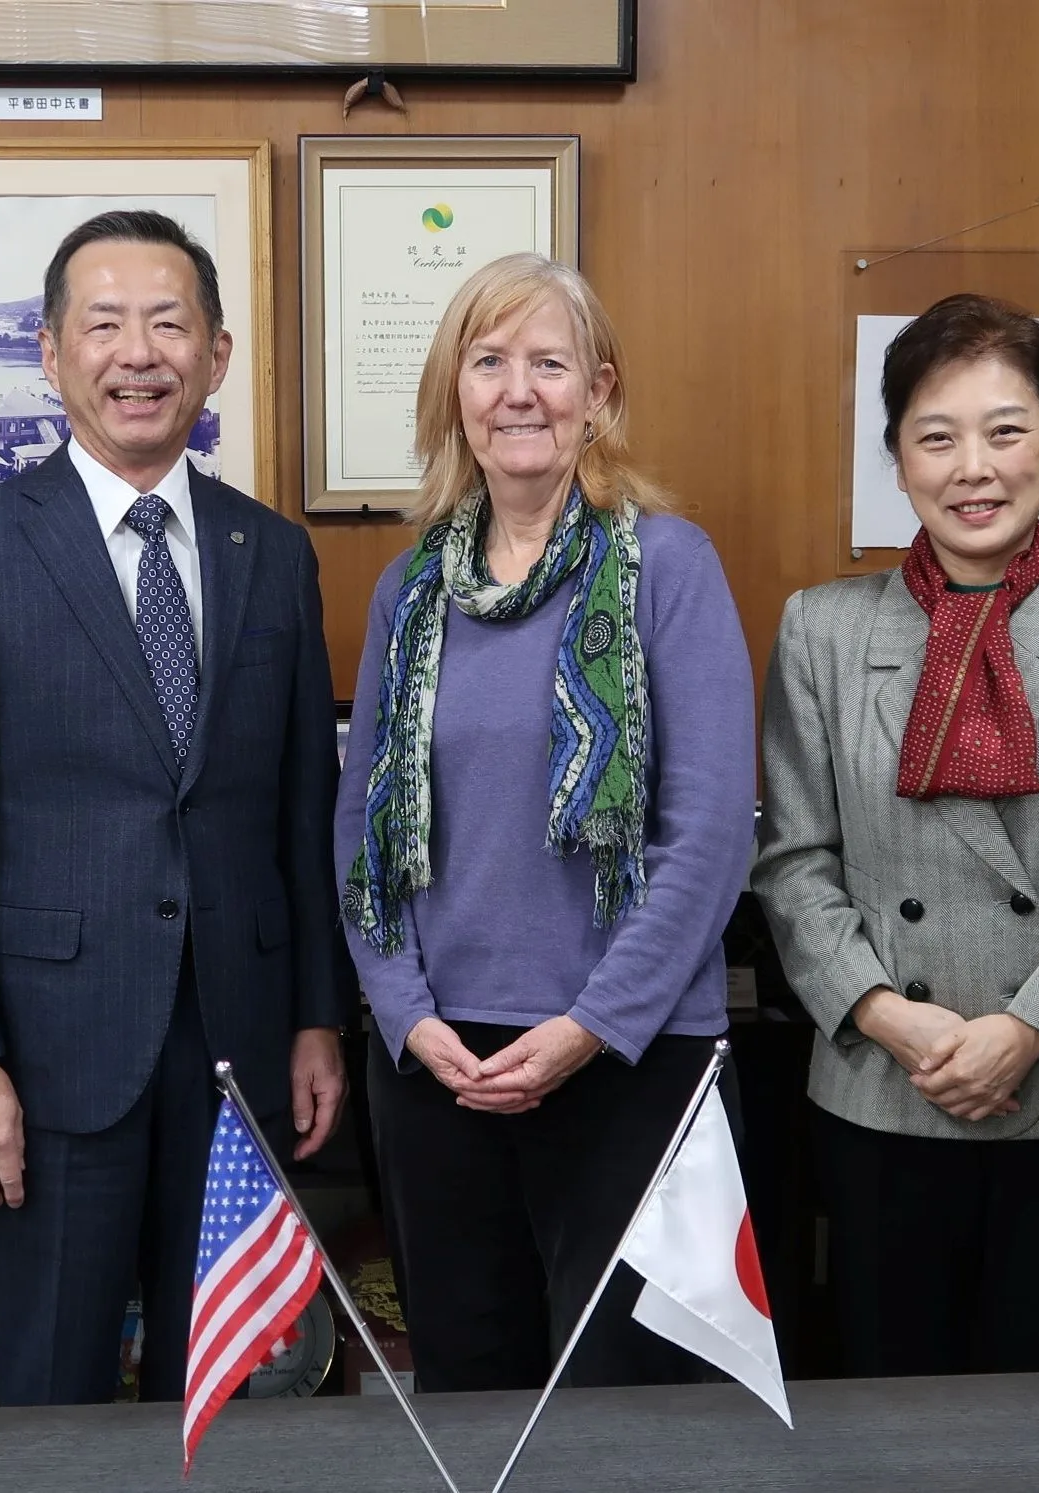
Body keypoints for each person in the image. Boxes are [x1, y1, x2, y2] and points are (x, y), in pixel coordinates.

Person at [0, 210, 351, 1407]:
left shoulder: (271, 552)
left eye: (168, 324)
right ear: (51, 354)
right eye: (103, 325)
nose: (138, 353)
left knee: (225, 1384)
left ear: (216, 354)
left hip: (240, 1035)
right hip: (49, 1049)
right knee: (51, 1383)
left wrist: (315, 1016)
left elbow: (302, 812)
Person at [335, 253, 758, 1392]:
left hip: (628, 1057)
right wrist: (405, 1015)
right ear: (454, 394)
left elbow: (710, 833)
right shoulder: (410, 588)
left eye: (549, 363)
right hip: (439, 1068)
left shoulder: (669, 566)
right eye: (487, 362)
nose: (518, 390)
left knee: (629, 1412)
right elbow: (360, 832)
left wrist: (590, 1025)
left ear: (598, 391)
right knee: (470, 1396)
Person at [753, 292, 1039, 1377]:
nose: (974, 468)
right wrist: (887, 1015)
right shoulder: (821, 627)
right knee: (891, 1404)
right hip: (883, 1080)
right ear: (897, 457)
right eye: (936, 437)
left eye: (1006, 430)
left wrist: (1024, 1029)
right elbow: (794, 860)